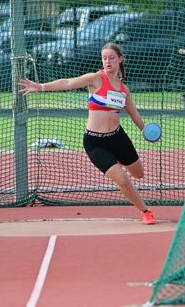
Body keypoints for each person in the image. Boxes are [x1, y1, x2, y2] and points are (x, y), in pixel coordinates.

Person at [18, 43, 156, 225]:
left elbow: (133, 113)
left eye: (111, 57)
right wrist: (41, 87)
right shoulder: (96, 79)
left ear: (120, 59)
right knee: (123, 180)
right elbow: (68, 82)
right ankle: (145, 211)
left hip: (117, 137)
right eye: (104, 58)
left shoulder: (124, 89)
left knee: (139, 174)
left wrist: (146, 131)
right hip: (95, 142)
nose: (107, 61)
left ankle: (119, 158)